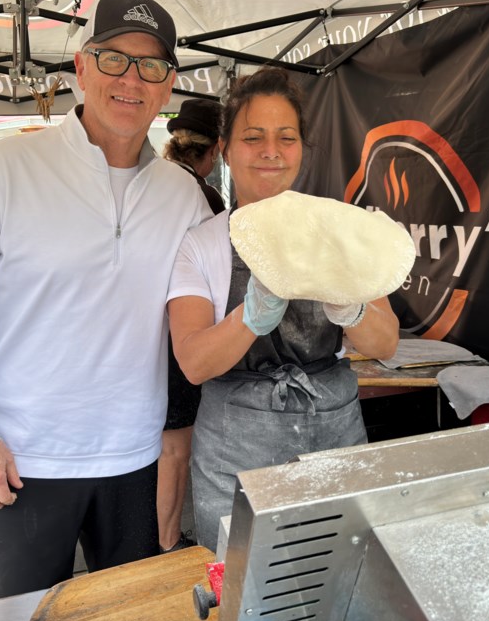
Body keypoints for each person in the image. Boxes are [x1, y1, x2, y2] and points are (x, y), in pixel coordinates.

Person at [0, 0, 212, 600]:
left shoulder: (183, 194)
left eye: (151, 66)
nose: (132, 80)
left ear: (168, 86)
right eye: (114, 60)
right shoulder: (5, 171)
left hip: (134, 456)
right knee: (21, 617)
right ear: (80, 66)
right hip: (23, 459)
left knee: (127, 616)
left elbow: (201, 312)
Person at [166, 67, 401, 550]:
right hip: (236, 450)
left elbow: (386, 343)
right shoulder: (200, 243)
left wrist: (351, 307)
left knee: (343, 574)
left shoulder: (339, 228)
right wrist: (250, 315)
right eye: (253, 137)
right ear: (226, 148)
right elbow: (192, 363)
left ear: (301, 148)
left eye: (286, 137)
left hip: (335, 436)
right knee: (241, 585)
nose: (271, 150)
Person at [156, 98, 226, 553]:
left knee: (161, 447)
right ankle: (165, 544)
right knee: (176, 450)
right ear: (218, 148)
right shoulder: (201, 195)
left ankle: (153, 537)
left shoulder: (154, 181)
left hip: (142, 330)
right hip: (178, 331)